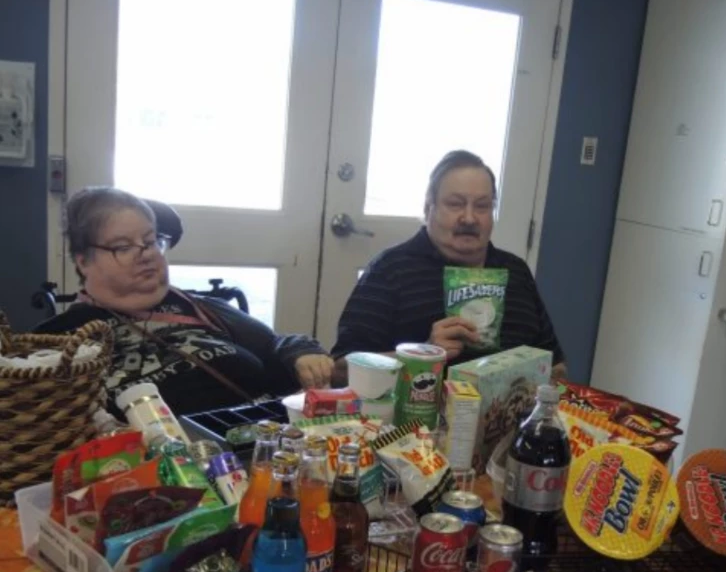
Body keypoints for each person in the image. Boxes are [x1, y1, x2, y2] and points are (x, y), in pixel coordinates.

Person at [36, 187, 333, 415]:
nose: (148, 254)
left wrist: (303, 353)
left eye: (151, 241)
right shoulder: (57, 340)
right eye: (123, 247)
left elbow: (277, 343)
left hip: (262, 441)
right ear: (83, 261)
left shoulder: (201, 308)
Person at [332, 150, 566, 378]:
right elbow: (341, 370)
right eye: (455, 204)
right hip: (418, 415)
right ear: (428, 207)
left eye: (482, 206)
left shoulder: (515, 271)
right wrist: (422, 353)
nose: (469, 218)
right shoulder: (390, 269)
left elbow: (556, 365)